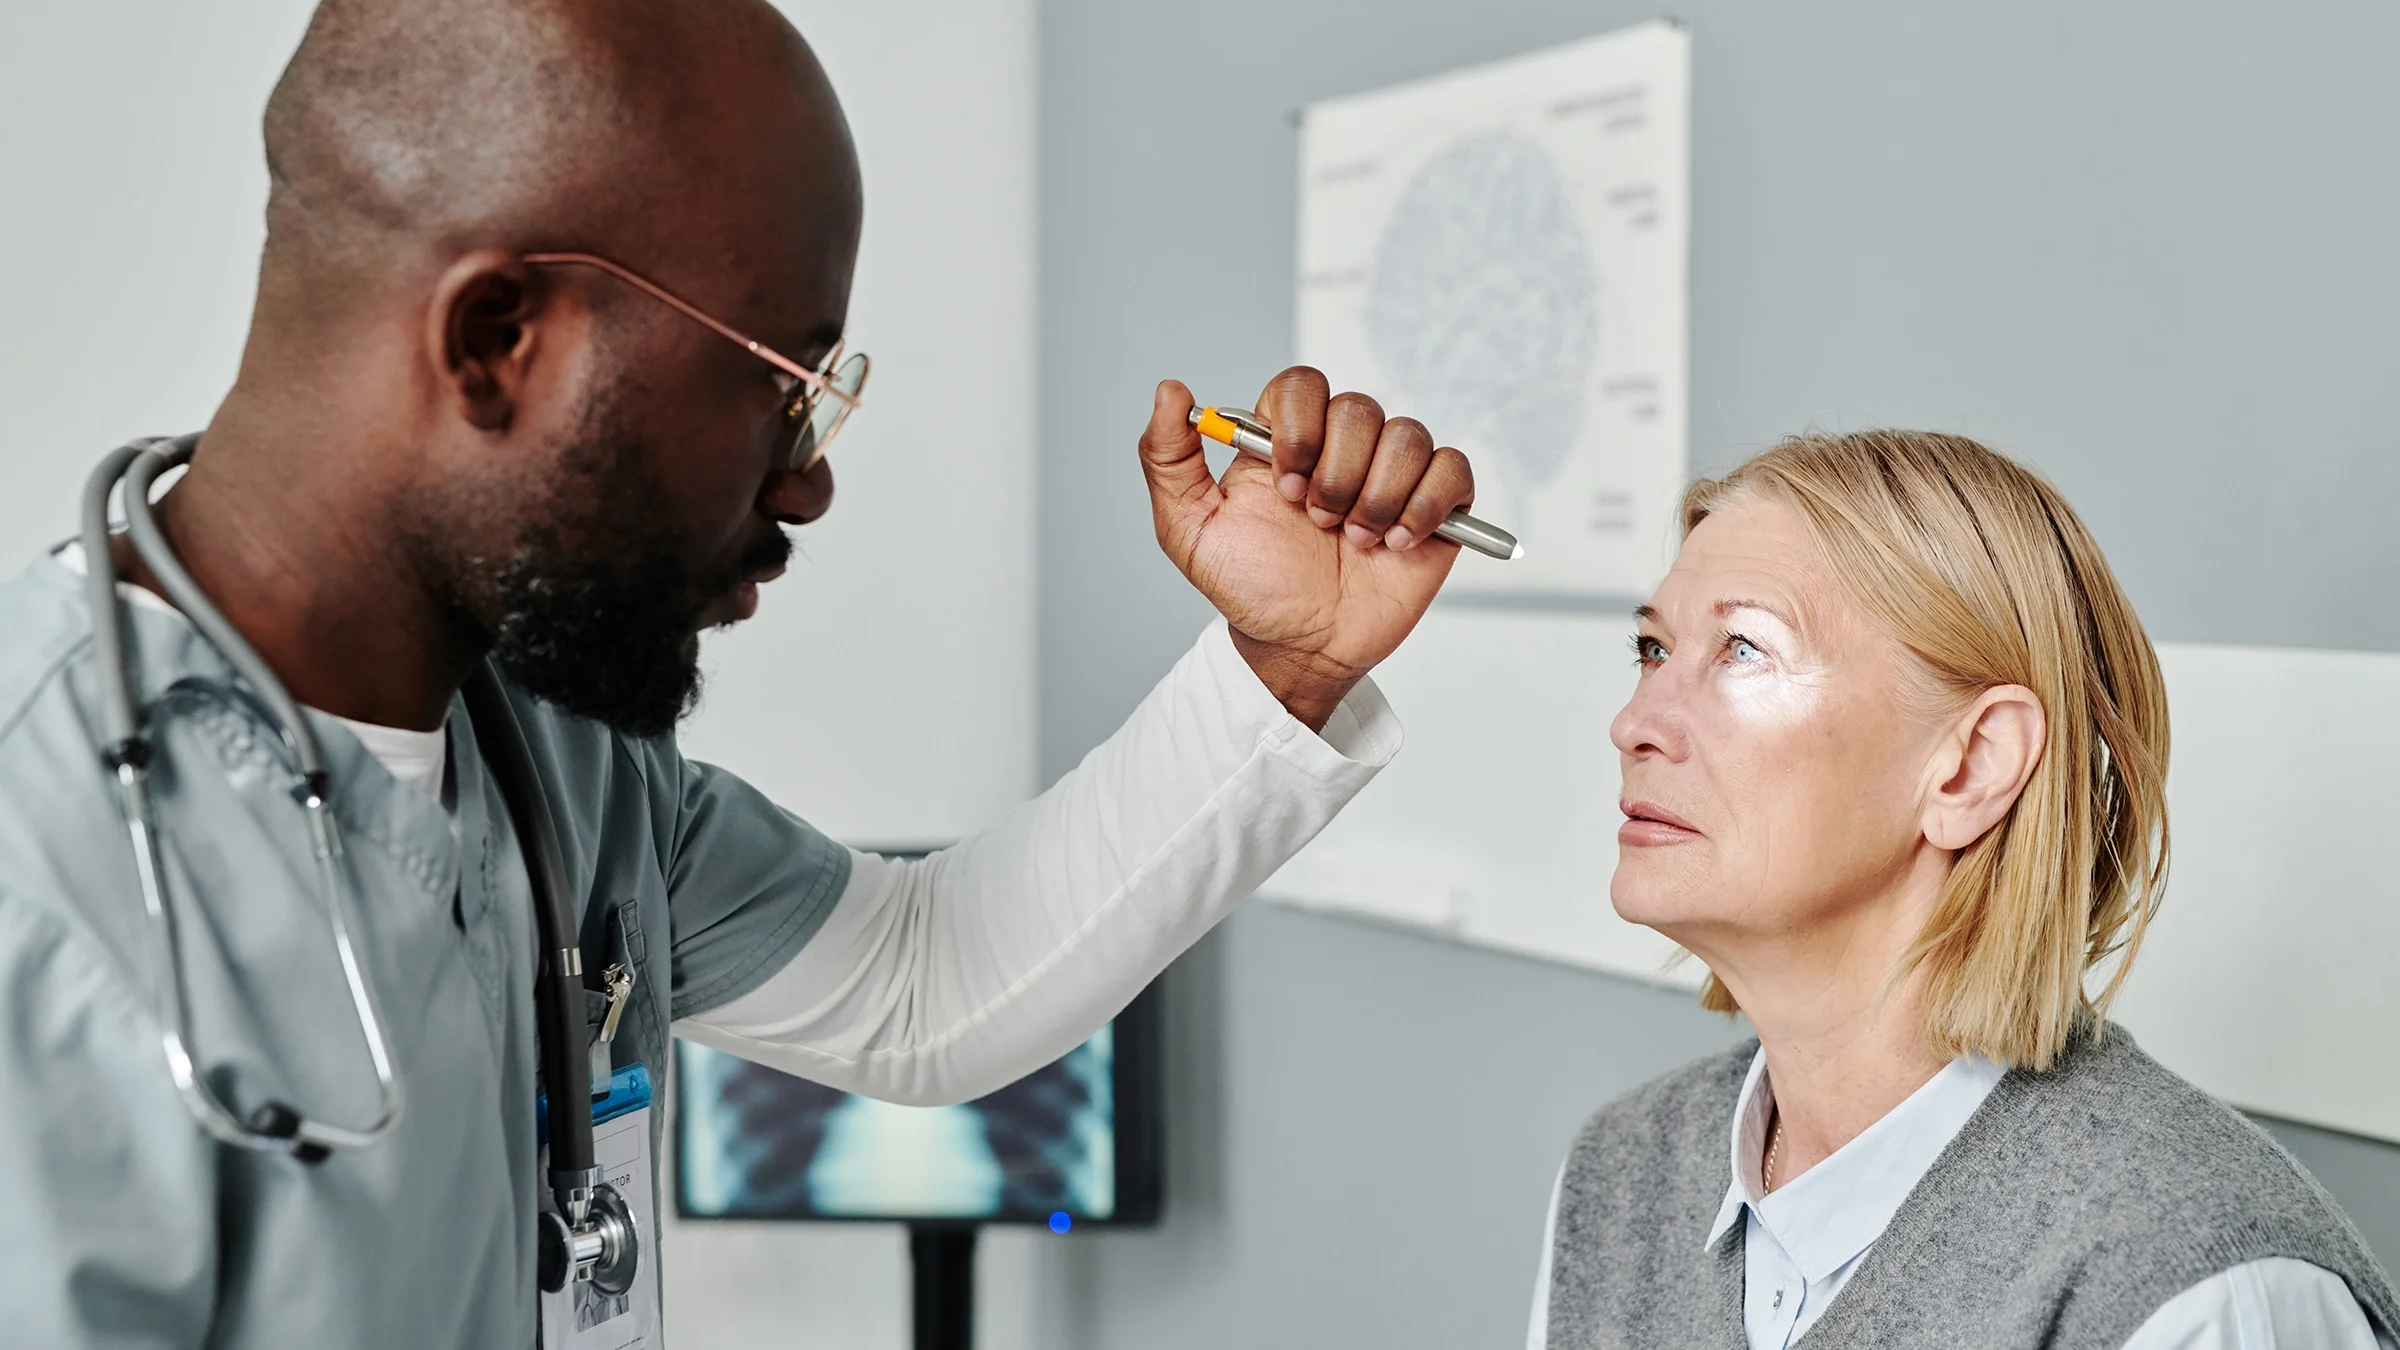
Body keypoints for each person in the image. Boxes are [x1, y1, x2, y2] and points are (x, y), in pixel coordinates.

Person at [0, 1, 1486, 1346]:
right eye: (783, 384)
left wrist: (1286, 663)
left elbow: (923, 983)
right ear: (495, 341)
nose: (808, 482)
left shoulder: (556, 753)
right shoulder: (40, 891)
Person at [1525, 430, 2400, 1348]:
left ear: (1972, 765)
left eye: (1744, 648)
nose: (1634, 723)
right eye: (1653, 648)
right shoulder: (1621, 1173)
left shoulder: (2202, 1290)